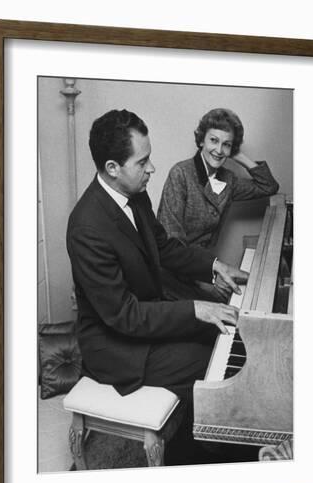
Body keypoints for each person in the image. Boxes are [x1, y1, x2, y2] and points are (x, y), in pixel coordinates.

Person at [66, 109, 248, 463]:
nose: (152, 169)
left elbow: (163, 247)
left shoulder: (134, 194)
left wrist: (215, 266)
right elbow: (125, 316)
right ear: (112, 168)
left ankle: (204, 435)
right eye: (143, 161)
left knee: (217, 335)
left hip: (141, 320)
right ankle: (195, 453)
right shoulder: (86, 227)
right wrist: (196, 308)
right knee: (204, 356)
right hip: (113, 344)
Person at [157, 108, 279, 302]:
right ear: (201, 141)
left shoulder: (229, 180)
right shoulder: (180, 173)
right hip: (173, 276)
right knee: (222, 315)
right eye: (213, 140)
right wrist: (205, 280)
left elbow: (269, 186)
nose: (219, 150)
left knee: (236, 299)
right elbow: (172, 243)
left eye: (226, 145)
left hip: (204, 269)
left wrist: (239, 155)